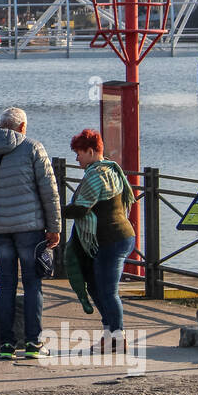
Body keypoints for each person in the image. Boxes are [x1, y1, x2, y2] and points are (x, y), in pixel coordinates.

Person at [0, 107, 61, 360]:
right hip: (31, 230)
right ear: (21, 128)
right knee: (32, 284)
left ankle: (6, 345)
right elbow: (49, 192)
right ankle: (33, 343)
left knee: (6, 285)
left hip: (0, 230)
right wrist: (54, 227)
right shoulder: (33, 148)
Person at [62, 129, 135, 345]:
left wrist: (55, 212)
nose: (76, 158)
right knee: (94, 285)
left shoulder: (97, 175)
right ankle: (109, 333)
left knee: (107, 291)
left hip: (111, 241)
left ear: (92, 151)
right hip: (117, 238)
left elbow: (81, 209)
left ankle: (117, 336)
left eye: (79, 153)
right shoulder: (112, 170)